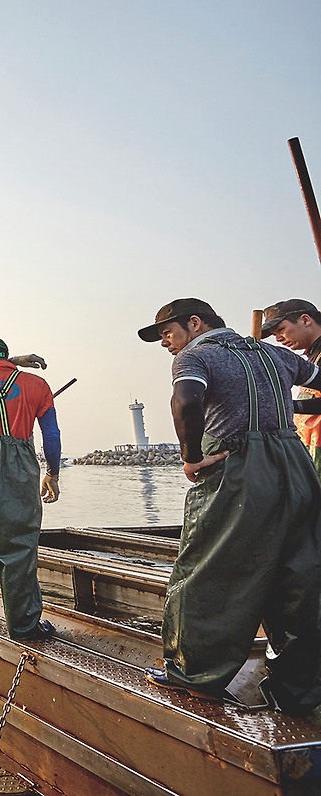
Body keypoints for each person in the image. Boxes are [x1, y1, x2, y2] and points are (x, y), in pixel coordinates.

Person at [138, 298, 321, 712]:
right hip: (296, 467)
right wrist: (286, 406)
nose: (166, 343)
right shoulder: (275, 353)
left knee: (208, 568)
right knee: (300, 576)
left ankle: (196, 674)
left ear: (195, 323)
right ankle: (299, 689)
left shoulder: (196, 356)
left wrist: (190, 457)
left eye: (168, 333)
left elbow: (186, 401)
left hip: (236, 469)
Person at [0, 336, 61, 640]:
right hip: (20, 461)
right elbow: (51, 435)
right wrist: (52, 474)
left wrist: (15, 359)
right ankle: (24, 625)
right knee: (19, 542)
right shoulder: (39, 385)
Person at [261, 298, 321, 478]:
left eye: (281, 330)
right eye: (274, 335)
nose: (278, 339)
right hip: (312, 451)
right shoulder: (312, 358)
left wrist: (286, 405)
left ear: (305, 320)